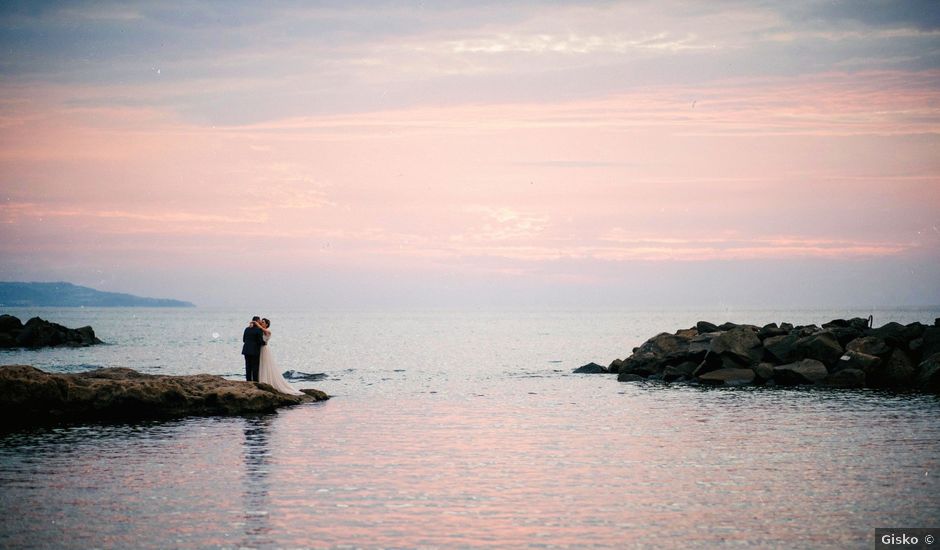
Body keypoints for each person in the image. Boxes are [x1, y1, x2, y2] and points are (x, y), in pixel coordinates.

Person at [256, 318, 304, 396]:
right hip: (260, 349)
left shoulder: (268, 331)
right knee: (260, 365)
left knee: (265, 365)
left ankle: (265, 382)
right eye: (261, 322)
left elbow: (262, 330)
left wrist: (256, 323)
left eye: (263, 322)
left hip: (264, 349)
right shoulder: (260, 331)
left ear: (267, 325)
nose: (261, 323)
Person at [242, 315, 266, 382]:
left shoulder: (246, 329)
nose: (260, 322)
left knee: (248, 366)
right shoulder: (259, 330)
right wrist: (264, 343)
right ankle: (255, 381)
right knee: (255, 367)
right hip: (254, 351)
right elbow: (260, 341)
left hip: (246, 350)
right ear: (257, 321)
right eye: (259, 321)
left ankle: (248, 381)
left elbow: (244, 340)